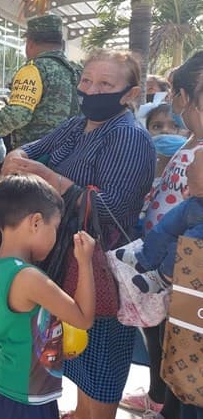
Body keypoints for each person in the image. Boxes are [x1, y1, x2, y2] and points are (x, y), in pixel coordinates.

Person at [1, 49, 155, 419]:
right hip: (64, 260)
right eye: (86, 80)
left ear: (129, 94)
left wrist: (52, 178)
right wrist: (16, 156)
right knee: (73, 350)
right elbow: (35, 148)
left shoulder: (129, 137)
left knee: (100, 359)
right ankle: (82, 412)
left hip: (99, 269)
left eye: (105, 84)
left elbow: (111, 210)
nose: (91, 90)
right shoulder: (77, 124)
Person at [0, 14, 82, 330]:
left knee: (11, 237)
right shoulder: (75, 73)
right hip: (64, 175)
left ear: (30, 43)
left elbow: (17, 114)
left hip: (29, 170)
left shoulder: (33, 69)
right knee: (47, 240)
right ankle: (41, 308)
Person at [119, 52, 203, 419]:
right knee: (167, 343)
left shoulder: (196, 150)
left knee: (180, 347)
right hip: (171, 264)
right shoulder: (188, 145)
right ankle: (163, 402)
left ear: (185, 97)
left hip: (185, 268)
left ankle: (166, 404)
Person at [0, 175, 95, 419]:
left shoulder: (0, 263)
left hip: (7, 384)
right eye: (55, 227)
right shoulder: (29, 278)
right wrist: (85, 262)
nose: (56, 236)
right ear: (35, 222)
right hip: (26, 397)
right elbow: (83, 318)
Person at [116, 149, 203, 293]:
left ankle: (162, 278)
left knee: (188, 247)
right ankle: (145, 259)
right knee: (167, 226)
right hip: (195, 202)